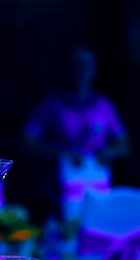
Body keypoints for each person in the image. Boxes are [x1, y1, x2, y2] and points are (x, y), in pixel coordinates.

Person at [21, 45, 131, 228]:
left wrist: (108, 153)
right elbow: (25, 142)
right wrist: (62, 153)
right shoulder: (52, 104)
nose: (82, 70)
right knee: (65, 232)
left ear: (95, 70)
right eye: (77, 65)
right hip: (59, 190)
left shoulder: (105, 106)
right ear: (68, 69)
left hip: (98, 185)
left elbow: (125, 144)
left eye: (87, 65)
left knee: (97, 229)